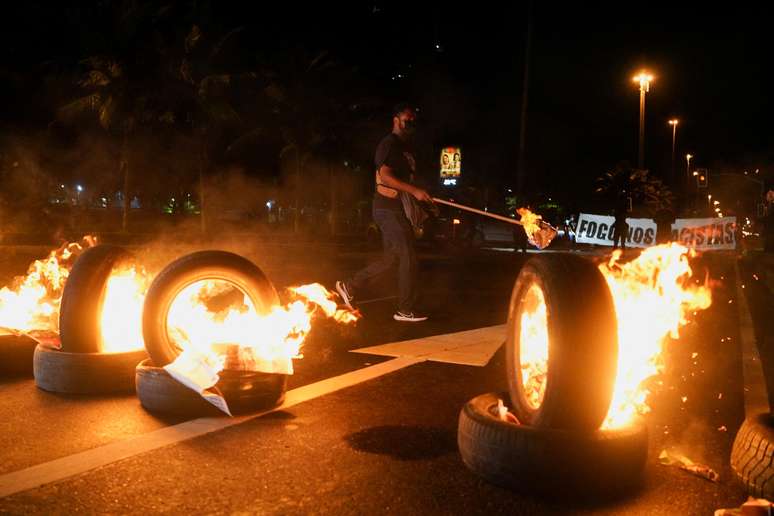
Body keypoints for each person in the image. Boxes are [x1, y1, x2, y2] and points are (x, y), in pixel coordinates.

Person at [336, 104, 432, 322]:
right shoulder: (389, 144)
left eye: (414, 121)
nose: (411, 124)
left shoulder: (405, 148)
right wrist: (415, 191)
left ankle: (349, 286)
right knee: (407, 255)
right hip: (387, 210)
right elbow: (386, 176)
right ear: (396, 120)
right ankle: (404, 310)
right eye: (407, 120)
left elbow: (405, 181)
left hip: (397, 209)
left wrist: (420, 197)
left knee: (392, 258)